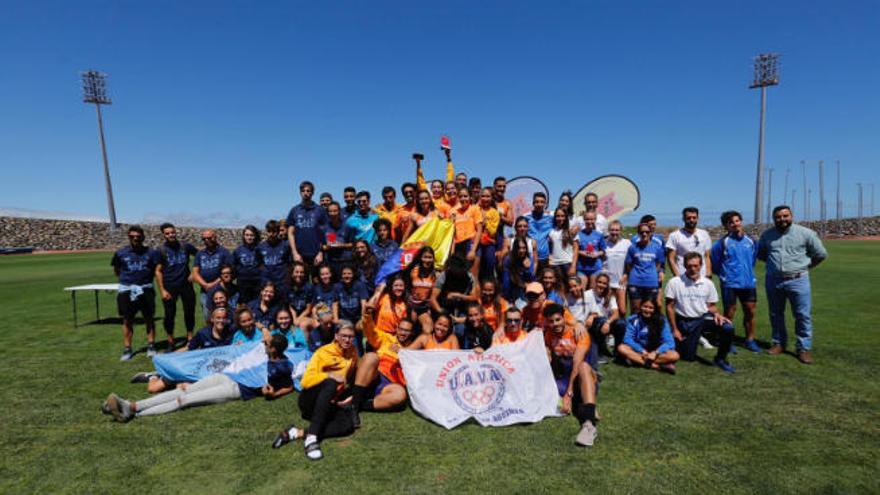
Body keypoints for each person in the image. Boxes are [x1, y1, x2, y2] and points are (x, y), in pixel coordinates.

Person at [103, 334, 294, 422]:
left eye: (267, 344)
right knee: (183, 390)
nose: (264, 344)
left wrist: (273, 394)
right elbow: (264, 337)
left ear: (274, 349)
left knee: (185, 400)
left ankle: (133, 411)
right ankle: (133, 406)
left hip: (237, 389)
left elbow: (290, 386)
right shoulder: (261, 351)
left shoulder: (285, 366)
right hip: (225, 376)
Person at [271, 321, 359, 460]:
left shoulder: (353, 352)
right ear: (336, 336)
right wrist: (328, 375)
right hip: (310, 401)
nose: (347, 340)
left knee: (348, 426)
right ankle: (311, 439)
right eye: (343, 336)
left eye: (350, 337)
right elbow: (305, 381)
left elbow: (350, 377)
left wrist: (350, 395)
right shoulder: (322, 353)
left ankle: (297, 433)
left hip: (329, 401)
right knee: (330, 383)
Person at [757, 205, 828, 364]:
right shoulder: (767, 235)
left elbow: (821, 254)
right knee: (775, 314)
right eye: (778, 217)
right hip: (774, 280)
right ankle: (778, 343)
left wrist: (805, 267)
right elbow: (761, 254)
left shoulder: (806, 233)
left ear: (791, 216)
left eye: (785, 216)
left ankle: (803, 348)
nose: (782, 219)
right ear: (774, 218)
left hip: (798, 280)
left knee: (802, 315)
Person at [665, 252, 736, 373]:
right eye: (689, 266)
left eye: (696, 265)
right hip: (683, 320)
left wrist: (717, 314)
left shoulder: (708, 283)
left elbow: (711, 306)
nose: (692, 269)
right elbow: (669, 307)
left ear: (701, 265)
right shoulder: (675, 282)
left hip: (702, 319)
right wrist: (674, 329)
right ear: (684, 265)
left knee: (727, 327)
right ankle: (686, 344)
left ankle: (721, 359)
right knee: (688, 357)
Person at [541, 303, 599, 447]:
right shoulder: (548, 336)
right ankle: (586, 406)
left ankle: (589, 425)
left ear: (564, 318)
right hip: (563, 378)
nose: (555, 324)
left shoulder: (579, 333)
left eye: (558, 319)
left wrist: (569, 392)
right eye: (551, 321)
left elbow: (577, 364)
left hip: (581, 377)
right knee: (566, 406)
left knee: (584, 367)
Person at [350, 312, 418, 424]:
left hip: (388, 385)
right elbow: (371, 332)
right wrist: (367, 316)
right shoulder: (386, 338)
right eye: (400, 329)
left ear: (412, 333)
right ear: (396, 328)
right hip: (372, 375)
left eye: (406, 331)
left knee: (400, 395)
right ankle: (355, 408)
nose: (402, 333)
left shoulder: (413, 350)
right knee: (371, 357)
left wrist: (402, 353)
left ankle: (360, 404)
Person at [710, 210, 760, 353]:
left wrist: (746, 273)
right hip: (730, 284)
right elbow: (714, 264)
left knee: (750, 312)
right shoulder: (722, 243)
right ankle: (727, 341)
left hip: (748, 283)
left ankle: (750, 340)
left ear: (741, 222)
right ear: (726, 226)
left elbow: (752, 260)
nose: (735, 224)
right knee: (729, 314)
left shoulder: (751, 241)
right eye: (731, 222)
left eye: (737, 221)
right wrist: (726, 275)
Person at [112, 225, 161, 361]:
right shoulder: (120, 253)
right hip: (127, 290)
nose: (135, 239)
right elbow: (117, 270)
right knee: (127, 320)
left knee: (149, 318)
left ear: (143, 237)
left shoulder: (151, 253)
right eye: (132, 236)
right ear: (128, 237)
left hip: (145, 289)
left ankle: (151, 345)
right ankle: (127, 348)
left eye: (138, 236)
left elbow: (156, 270)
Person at [154, 222, 198, 348]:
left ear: (176, 232)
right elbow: (158, 271)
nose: (171, 235)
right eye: (167, 233)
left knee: (189, 312)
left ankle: (190, 338)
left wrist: (194, 273)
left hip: (186, 285)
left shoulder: (185, 246)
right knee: (169, 315)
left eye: (172, 232)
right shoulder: (161, 250)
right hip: (169, 287)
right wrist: (162, 290)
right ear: (163, 235)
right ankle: (170, 341)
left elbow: (200, 256)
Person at [617, 299, 679, 373]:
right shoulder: (633, 320)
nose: (647, 310)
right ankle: (655, 366)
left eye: (651, 308)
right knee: (621, 348)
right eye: (645, 307)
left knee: (675, 355)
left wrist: (656, 352)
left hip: (656, 352)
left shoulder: (661, 320)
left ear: (655, 309)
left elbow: (670, 342)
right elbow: (627, 339)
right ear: (640, 307)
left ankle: (636, 360)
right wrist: (641, 350)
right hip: (640, 351)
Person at [430, 255, 480, 337]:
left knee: (460, 331)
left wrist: (458, 295)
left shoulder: (469, 276)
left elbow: (474, 297)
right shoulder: (444, 276)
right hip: (445, 308)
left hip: (462, 308)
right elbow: (433, 299)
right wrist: (441, 312)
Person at [287, 180, 329, 276]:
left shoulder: (320, 210)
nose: (306, 193)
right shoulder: (294, 210)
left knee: (317, 282)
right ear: (300, 192)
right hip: (299, 255)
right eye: (303, 191)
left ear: (313, 193)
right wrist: (294, 253)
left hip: (316, 255)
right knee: (300, 282)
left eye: (308, 191)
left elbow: (325, 233)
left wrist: (321, 252)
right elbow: (290, 233)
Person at [583, 273, 626, 362]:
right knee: (601, 321)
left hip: (605, 324)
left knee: (621, 323)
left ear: (607, 285)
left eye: (604, 283)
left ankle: (618, 353)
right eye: (599, 282)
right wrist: (592, 316)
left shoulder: (609, 295)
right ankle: (599, 352)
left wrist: (608, 322)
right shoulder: (587, 295)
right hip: (591, 325)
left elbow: (616, 313)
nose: (601, 285)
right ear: (595, 283)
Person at [192, 229, 233, 321]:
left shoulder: (224, 252)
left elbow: (228, 272)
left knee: (225, 314)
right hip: (205, 291)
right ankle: (211, 333)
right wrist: (205, 285)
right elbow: (195, 272)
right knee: (208, 315)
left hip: (221, 289)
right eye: (204, 239)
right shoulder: (200, 254)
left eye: (209, 238)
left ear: (215, 237)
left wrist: (213, 284)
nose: (207, 240)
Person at [624, 223, 665, 314]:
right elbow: (629, 265)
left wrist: (652, 273)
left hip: (651, 282)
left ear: (651, 233)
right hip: (635, 282)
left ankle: (650, 328)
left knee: (650, 310)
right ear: (638, 233)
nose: (644, 234)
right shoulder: (632, 248)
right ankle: (634, 327)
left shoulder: (657, 248)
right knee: (636, 309)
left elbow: (658, 264)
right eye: (642, 232)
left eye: (647, 232)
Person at [666, 207, 713, 278]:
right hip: (683, 277)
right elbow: (671, 259)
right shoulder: (674, 236)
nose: (692, 220)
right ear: (683, 219)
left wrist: (708, 273)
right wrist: (677, 276)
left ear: (698, 218)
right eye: (689, 218)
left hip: (702, 277)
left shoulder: (704, 234)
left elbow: (707, 256)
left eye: (694, 217)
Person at [402, 246, 437, 334]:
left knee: (428, 329)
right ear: (420, 258)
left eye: (430, 257)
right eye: (425, 257)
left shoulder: (436, 274)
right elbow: (405, 287)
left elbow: (435, 295)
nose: (427, 260)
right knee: (410, 326)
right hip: (410, 305)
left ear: (433, 259)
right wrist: (410, 306)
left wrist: (429, 307)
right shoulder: (413, 270)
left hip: (424, 307)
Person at [334, 265, 368, 353]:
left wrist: (362, 318)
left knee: (360, 333)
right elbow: (335, 303)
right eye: (344, 274)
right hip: (344, 319)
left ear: (353, 275)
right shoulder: (337, 287)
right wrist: (336, 319)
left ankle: (361, 353)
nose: (346, 276)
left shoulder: (360, 285)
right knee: (345, 332)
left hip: (357, 318)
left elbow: (364, 303)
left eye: (349, 273)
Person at [450, 185, 483, 272]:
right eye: (461, 196)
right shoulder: (453, 212)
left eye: (465, 196)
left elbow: (479, 230)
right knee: (460, 276)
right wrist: (452, 251)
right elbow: (453, 234)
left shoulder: (475, 209)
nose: (463, 198)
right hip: (458, 247)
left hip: (471, 244)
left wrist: (473, 250)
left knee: (472, 276)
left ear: (470, 197)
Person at [604, 220, 631, 318]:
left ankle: (621, 329)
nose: (614, 232)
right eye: (612, 230)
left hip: (621, 280)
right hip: (607, 281)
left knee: (622, 310)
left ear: (621, 231)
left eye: (617, 230)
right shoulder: (603, 243)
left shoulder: (627, 243)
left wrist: (626, 275)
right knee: (607, 308)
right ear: (608, 230)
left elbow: (631, 262)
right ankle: (610, 330)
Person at [257, 220, 292, 298]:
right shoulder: (260, 247)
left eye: (274, 231)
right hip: (266, 281)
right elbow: (259, 264)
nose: (272, 234)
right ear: (266, 231)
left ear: (278, 231)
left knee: (281, 305)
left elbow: (289, 264)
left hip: (281, 282)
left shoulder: (285, 246)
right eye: (269, 231)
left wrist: (286, 279)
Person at [500, 235, 537, 304]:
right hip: (511, 292)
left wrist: (527, 269)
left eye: (523, 248)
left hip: (525, 293)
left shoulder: (529, 260)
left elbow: (532, 280)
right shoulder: (508, 260)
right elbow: (506, 281)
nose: (521, 251)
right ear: (514, 248)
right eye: (519, 248)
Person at [321, 201, 354, 278]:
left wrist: (341, 245)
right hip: (330, 261)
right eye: (330, 211)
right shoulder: (324, 228)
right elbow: (321, 245)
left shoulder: (347, 227)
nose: (333, 213)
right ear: (327, 213)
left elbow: (352, 244)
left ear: (339, 212)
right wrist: (326, 247)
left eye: (335, 211)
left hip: (344, 261)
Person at [575, 211, 606, 289]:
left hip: (595, 268)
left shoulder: (599, 235)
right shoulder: (578, 234)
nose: (589, 221)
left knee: (593, 291)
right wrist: (582, 252)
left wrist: (597, 254)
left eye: (592, 219)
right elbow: (574, 250)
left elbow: (603, 251)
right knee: (581, 290)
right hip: (581, 268)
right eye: (587, 219)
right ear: (584, 220)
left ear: (595, 220)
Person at [233, 225, 262, 304]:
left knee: (256, 306)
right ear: (243, 236)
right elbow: (233, 267)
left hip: (257, 283)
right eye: (247, 235)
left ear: (255, 236)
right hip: (243, 284)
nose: (249, 237)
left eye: (252, 235)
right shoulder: (238, 251)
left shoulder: (260, 249)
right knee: (244, 308)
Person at [477, 187, 501, 279]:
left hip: (489, 244)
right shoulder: (475, 209)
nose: (485, 199)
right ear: (480, 197)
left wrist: (485, 222)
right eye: (483, 196)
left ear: (491, 198)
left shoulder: (494, 213)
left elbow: (493, 232)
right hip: (476, 243)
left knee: (489, 267)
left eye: (488, 196)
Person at [525, 192, 553, 269]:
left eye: (542, 202)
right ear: (533, 203)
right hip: (530, 256)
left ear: (545, 204)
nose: (539, 204)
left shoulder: (550, 217)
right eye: (537, 202)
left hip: (545, 257)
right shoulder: (526, 217)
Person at [548, 208, 578, 278]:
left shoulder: (571, 231)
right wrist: (550, 260)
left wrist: (573, 266)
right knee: (559, 287)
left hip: (567, 264)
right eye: (558, 216)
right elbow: (550, 249)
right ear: (555, 217)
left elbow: (576, 250)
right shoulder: (551, 232)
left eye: (562, 216)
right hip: (555, 265)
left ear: (566, 217)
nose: (560, 218)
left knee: (570, 286)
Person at [287, 261, 315, 327]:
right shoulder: (288, 288)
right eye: (296, 272)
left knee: (302, 324)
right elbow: (291, 307)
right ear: (292, 273)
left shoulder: (309, 288)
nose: (299, 274)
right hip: (293, 317)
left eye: (301, 272)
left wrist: (298, 320)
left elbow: (308, 309)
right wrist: (294, 319)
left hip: (306, 316)